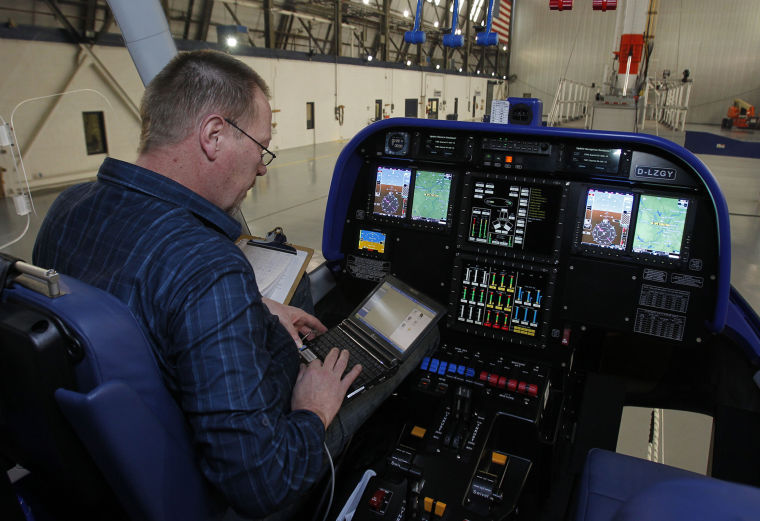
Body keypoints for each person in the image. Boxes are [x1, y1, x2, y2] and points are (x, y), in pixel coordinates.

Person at [32, 50, 438, 519]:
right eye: (261, 147)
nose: (263, 168)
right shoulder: (207, 265)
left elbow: (133, 297)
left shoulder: (67, 209)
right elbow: (261, 482)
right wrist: (312, 410)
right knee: (422, 328)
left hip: (108, 470)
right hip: (225, 490)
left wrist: (254, 305)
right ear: (213, 135)